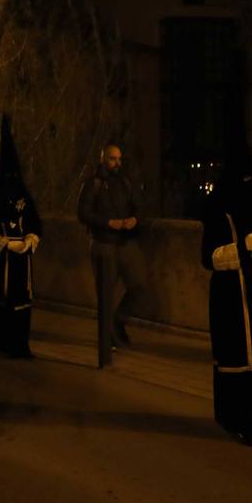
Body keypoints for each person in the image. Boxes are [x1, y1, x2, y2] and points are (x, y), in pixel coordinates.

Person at [200, 149, 252, 447]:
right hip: (229, 292)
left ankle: (247, 409)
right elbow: (209, 257)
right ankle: (235, 418)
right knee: (235, 355)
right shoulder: (217, 209)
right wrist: (240, 248)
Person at [77, 143, 148, 367]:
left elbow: (138, 207)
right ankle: (105, 351)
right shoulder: (94, 183)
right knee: (105, 297)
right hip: (104, 244)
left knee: (139, 286)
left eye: (119, 159)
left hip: (125, 243)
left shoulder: (125, 182)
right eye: (112, 159)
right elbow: (83, 213)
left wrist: (134, 220)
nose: (117, 163)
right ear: (103, 159)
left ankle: (116, 322)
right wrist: (109, 223)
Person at [0, 115, 42, 358]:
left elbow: (35, 221)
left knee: (19, 300)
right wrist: (1, 242)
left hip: (21, 260)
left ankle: (18, 344)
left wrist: (30, 239)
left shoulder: (24, 197)